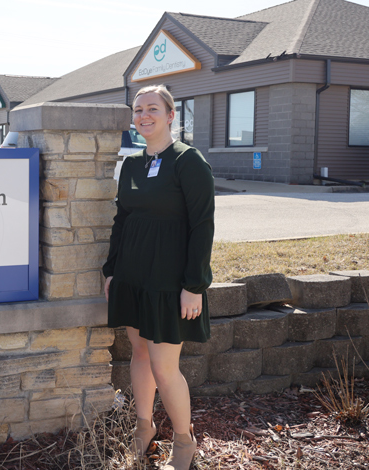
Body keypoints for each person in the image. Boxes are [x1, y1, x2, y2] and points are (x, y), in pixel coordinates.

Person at [102, 85, 214, 470]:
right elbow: (123, 220)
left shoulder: (189, 161)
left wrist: (194, 285)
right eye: (138, 110)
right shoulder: (132, 165)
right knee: (139, 352)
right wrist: (112, 270)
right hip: (133, 275)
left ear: (170, 115)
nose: (143, 115)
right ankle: (144, 427)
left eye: (152, 108)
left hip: (170, 280)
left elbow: (202, 226)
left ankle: (184, 442)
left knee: (165, 367)